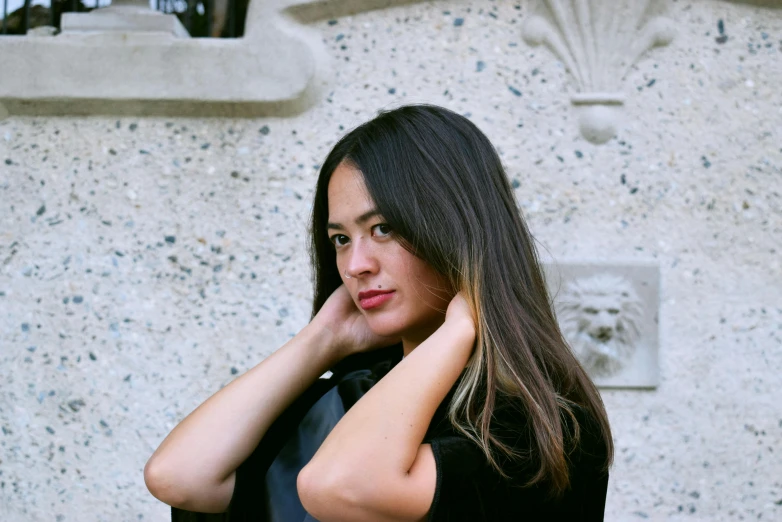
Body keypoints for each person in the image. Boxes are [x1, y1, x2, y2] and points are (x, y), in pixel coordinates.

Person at [144, 104, 613, 521]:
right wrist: (323, 337)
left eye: (383, 228)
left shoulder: (534, 425)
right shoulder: (347, 396)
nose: (354, 265)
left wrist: (464, 324)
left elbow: (339, 487)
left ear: (455, 232)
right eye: (341, 239)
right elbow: (179, 476)